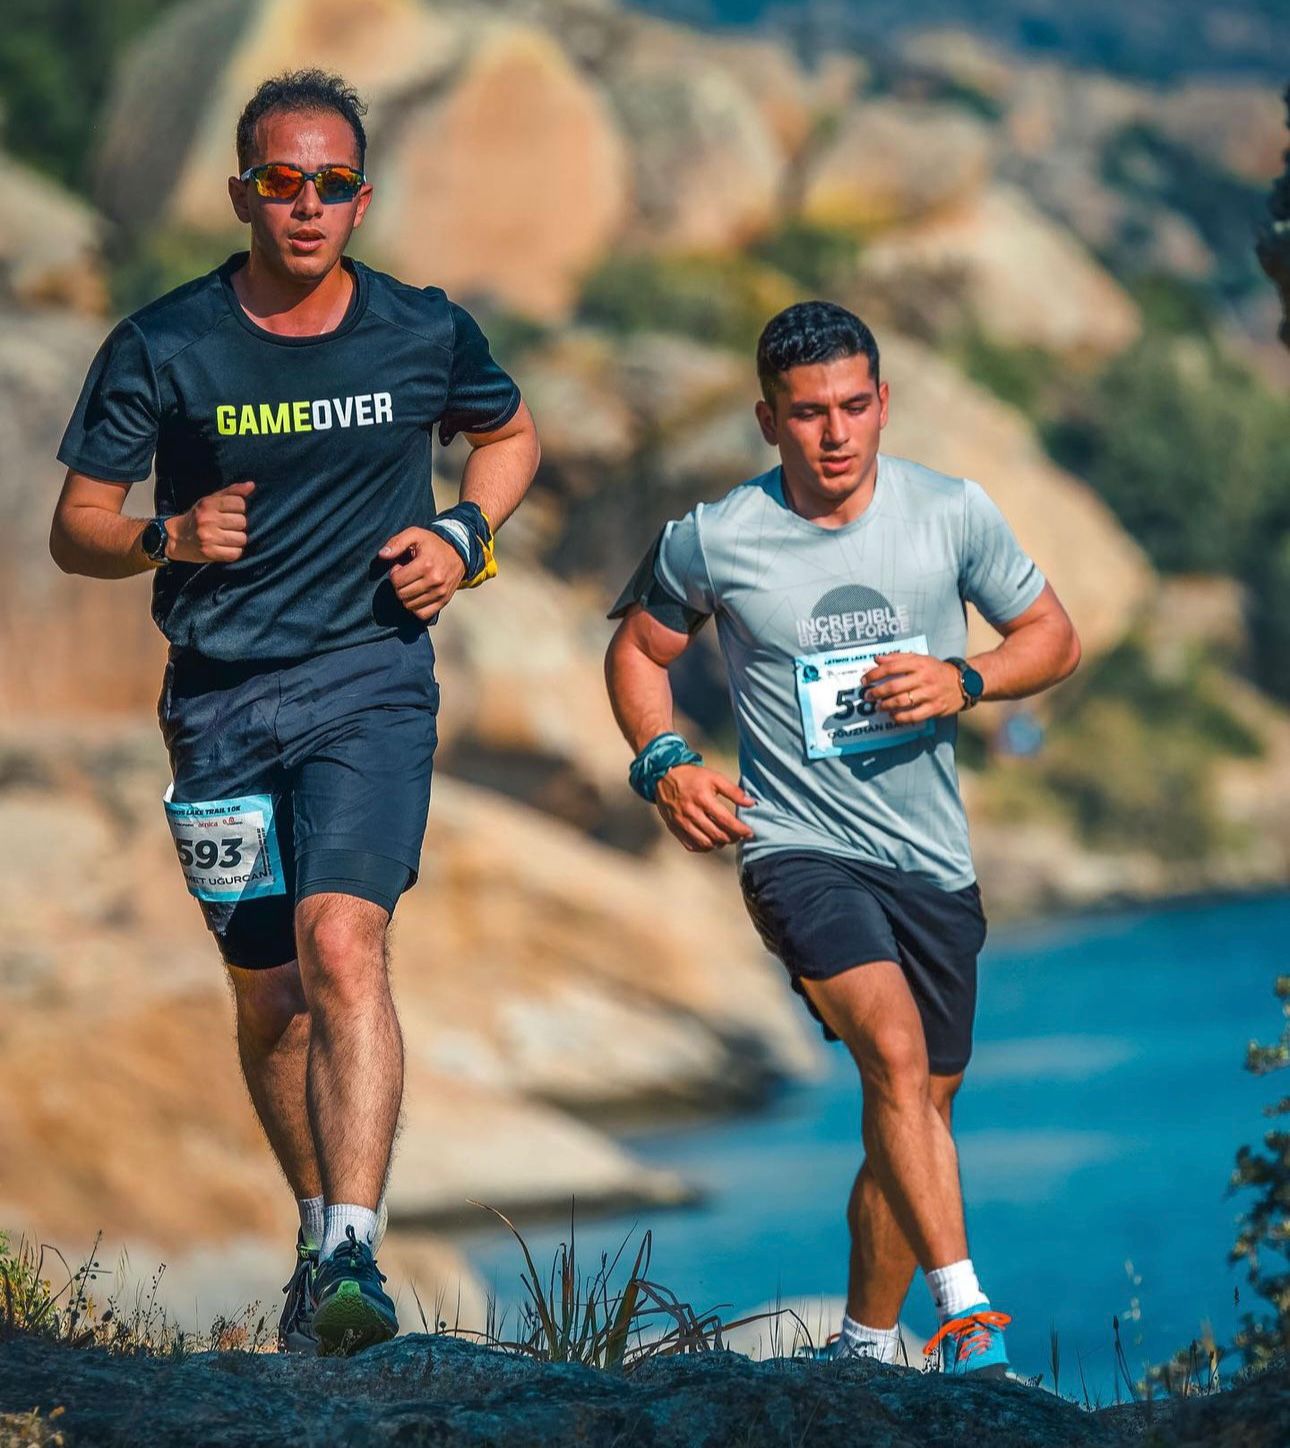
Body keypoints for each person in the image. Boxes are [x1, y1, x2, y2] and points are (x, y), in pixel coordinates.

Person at [49, 69, 540, 1356]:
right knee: (270, 995)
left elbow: (511, 438)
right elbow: (76, 525)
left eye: (331, 184)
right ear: (241, 194)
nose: (307, 204)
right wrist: (165, 534)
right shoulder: (164, 343)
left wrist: (464, 534)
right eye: (282, 180)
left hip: (369, 681)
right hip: (218, 701)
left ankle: (357, 1252)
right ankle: (318, 1233)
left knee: (342, 942)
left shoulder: (422, 328)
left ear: (361, 200)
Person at [604, 301, 1079, 1376]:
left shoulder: (950, 512)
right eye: (809, 412)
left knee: (917, 1109)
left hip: (933, 862)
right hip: (797, 849)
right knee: (896, 1057)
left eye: (854, 407)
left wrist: (964, 679)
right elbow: (638, 650)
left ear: (884, 403)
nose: (835, 433)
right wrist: (664, 761)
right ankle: (968, 1319)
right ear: (768, 420)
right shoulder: (716, 536)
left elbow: (1053, 636)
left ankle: (863, 1347)